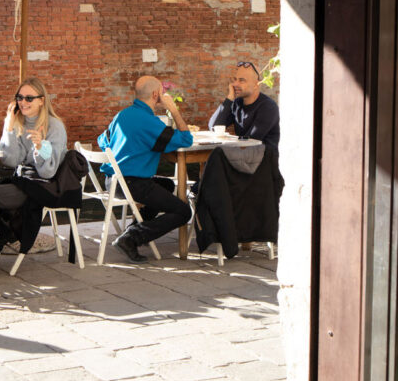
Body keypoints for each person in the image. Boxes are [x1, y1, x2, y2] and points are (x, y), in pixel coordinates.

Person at [98, 75, 194, 263]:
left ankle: (133, 232)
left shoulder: (122, 115)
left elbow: (102, 141)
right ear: (156, 95)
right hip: (132, 183)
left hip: (113, 182)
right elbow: (186, 140)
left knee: (166, 184)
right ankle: (131, 238)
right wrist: (173, 110)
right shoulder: (149, 123)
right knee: (184, 212)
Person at [0, 77, 70, 254]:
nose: (23, 102)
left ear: (41, 100)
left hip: (45, 187)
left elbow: (48, 172)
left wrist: (40, 148)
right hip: (23, 181)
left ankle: (5, 234)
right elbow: (9, 161)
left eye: (29, 98)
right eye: (19, 97)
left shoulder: (54, 127)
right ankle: (7, 233)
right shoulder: (19, 123)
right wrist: (9, 127)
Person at [208, 61, 280, 147]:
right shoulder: (237, 103)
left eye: (242, 80)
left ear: (256, 84)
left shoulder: (268, 107)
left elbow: (251, 141)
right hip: (243, 155)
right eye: (235, 79)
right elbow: (214, 127)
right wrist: (229, 99)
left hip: (263, 157)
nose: (235, 84)